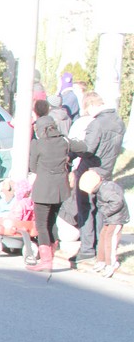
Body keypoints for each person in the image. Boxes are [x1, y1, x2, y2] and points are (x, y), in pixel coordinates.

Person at [68, 90, 126, 261]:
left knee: (85, 208)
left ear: (92, 105)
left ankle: (87, 248)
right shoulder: (118, 122)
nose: (88, 114)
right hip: (107, 171)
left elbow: (88, 149)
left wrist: (72, 146)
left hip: (89, 170)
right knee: (101, 209)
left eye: (87, 110)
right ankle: (100, 246)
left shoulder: (97, 124)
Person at [27, 114, 72, 272]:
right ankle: (52, 253)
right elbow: (83, 147)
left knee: (41, 224)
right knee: (52, 221)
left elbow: (32, 167)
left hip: (43, 189)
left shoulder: (37, 144)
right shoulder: (64, 142)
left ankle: (46, 260)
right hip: (60, 189)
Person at [78, 171, 129, 278]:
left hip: (116, 218)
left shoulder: (106, 190)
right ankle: (101, 260)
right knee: (103, 236)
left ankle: (111, 263)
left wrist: (106, 212)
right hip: (110, 218)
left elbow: (118, 202)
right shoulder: (102, 188)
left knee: (110, 239)